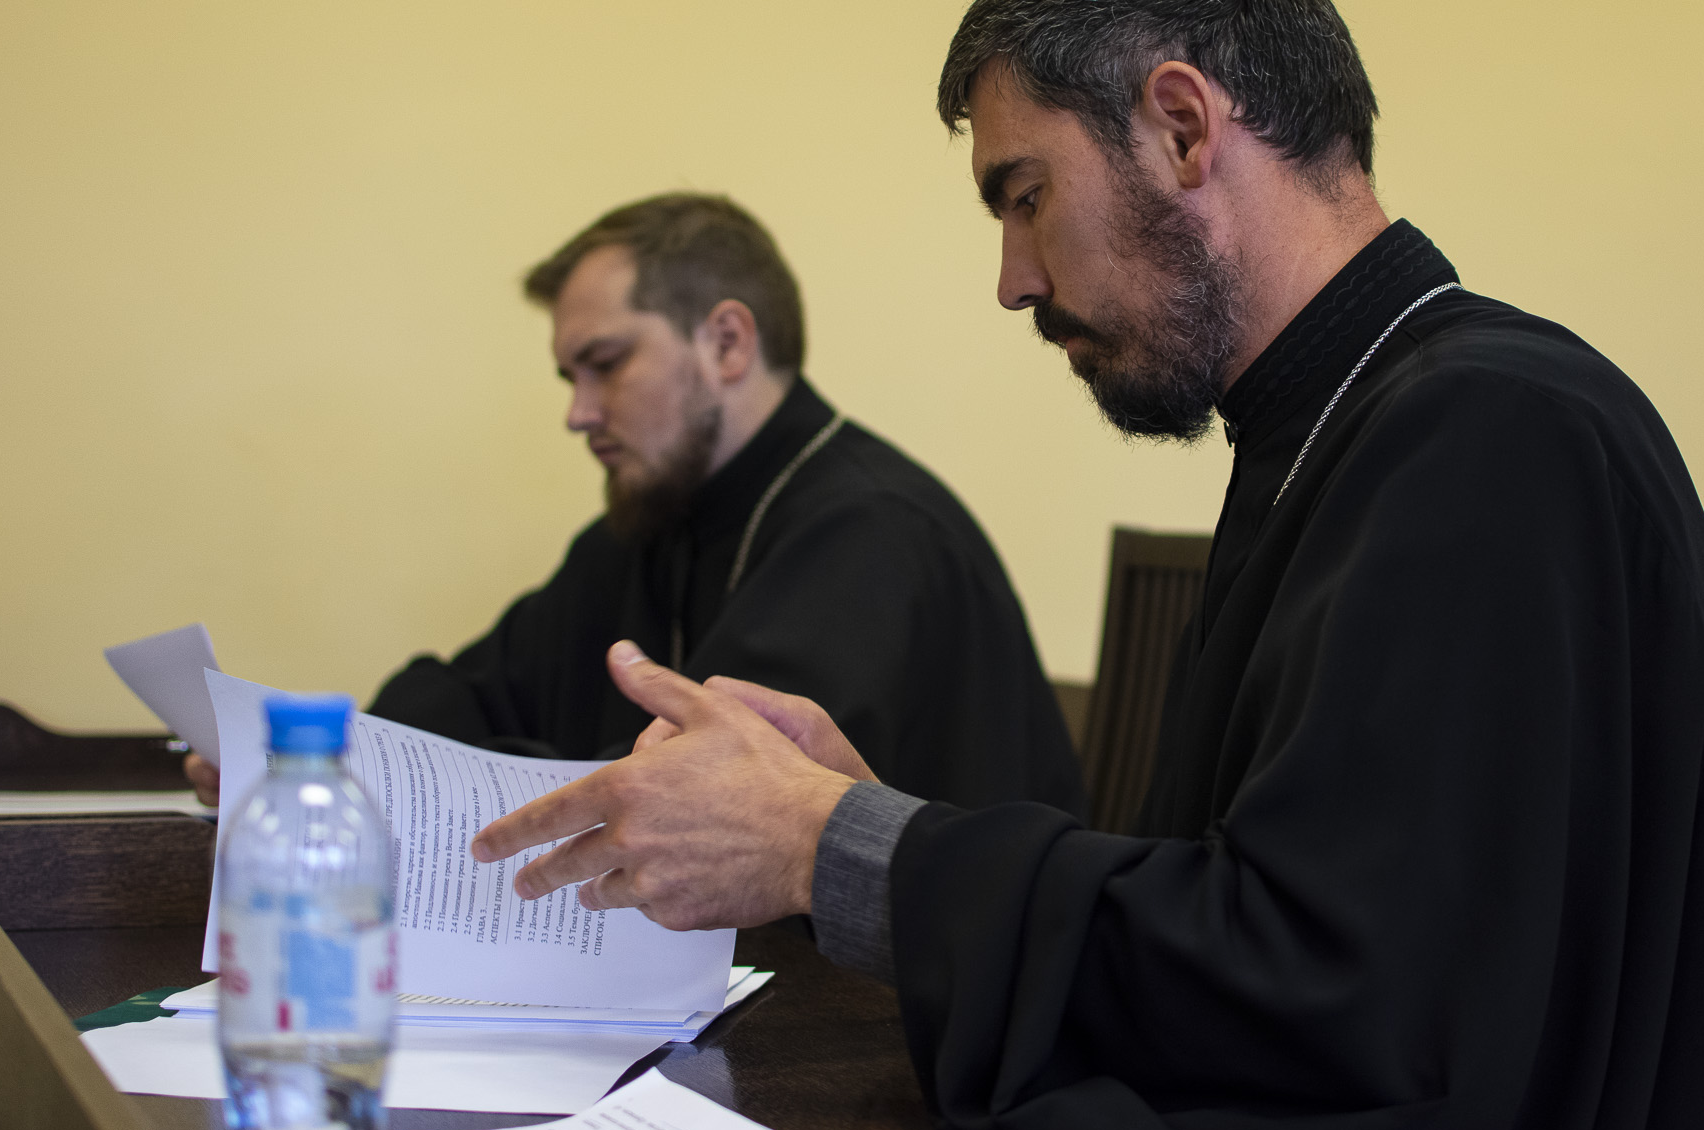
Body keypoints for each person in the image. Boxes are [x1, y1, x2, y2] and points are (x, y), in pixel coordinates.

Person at [468, 0, 1704, 1130]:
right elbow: (1221, 921)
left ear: (1182, 127)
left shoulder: (1491, 436)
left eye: (1025, 195)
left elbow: (1345, 1013)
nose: (1011, 280)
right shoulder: (1344, 428)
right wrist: (861, 819)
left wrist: (833, 845)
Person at [187, 193, 1084, 818]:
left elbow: (703, 798)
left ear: (726, 342)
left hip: (897, 1015)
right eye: (569, 377)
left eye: (606, 365)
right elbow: (474, 694)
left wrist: (377, 775)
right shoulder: (651, 522)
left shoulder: (870, 533)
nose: (578, 413)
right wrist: (318, 760)